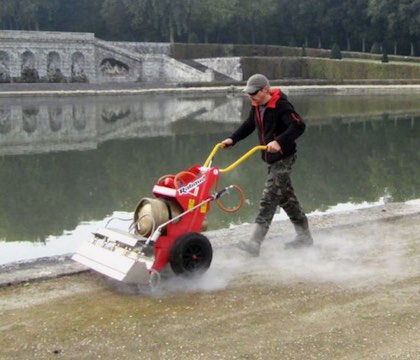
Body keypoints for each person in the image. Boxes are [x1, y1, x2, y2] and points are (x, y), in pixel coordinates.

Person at [221, 73, 313, 256]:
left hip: (284, 158)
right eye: (248, 94)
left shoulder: (281, 105)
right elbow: (249, 125)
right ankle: (304, 238)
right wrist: (233, 139)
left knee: (269, 197)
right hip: (270, 160)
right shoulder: (256, 105)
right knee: (287, 199)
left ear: (265, 90)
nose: (250, 97)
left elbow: (299, 125)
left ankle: (254, 244)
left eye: (253, 93)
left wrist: (279, 141)